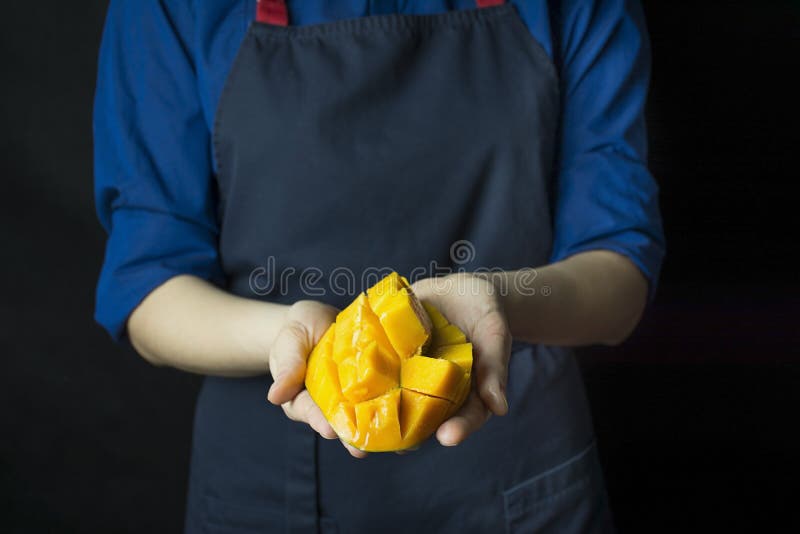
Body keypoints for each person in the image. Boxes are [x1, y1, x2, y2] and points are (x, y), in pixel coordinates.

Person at [93, 0, 664, 531]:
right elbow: (148, 286)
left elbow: (618, 277)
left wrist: (499, 298)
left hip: (527, 479)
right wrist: (298, 341)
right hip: (264, 490)